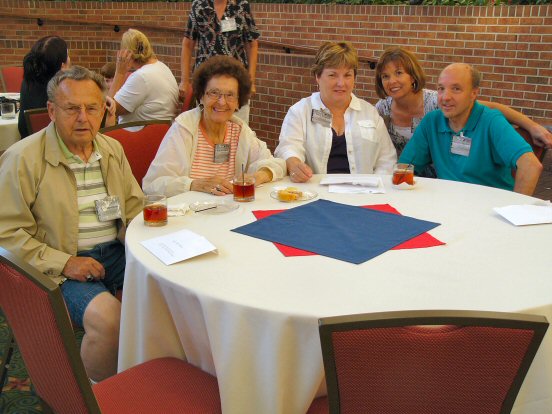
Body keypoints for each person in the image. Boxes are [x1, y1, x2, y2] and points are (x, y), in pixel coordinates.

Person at [0, 66, 144, 381]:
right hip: (56, 266)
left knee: (171, 292)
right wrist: (65, 262)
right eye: (71, 108)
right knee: (110, 320)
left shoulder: (111, 149)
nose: (83, 117)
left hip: (116, 253)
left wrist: (152, 242)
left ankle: (141, 378)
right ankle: (95, 398)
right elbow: (6, 235)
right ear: (51, 111)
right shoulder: (23, 159)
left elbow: (133, 207)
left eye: (92, 108)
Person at [143, 55, 285, 197]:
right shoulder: (183, 129)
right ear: (202, 96)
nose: (222, 102)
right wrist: (193, 184)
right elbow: (153, 184)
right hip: (191, 215)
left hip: (231, 214)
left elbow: (277, 164)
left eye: (230, 95)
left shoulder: (239, 131)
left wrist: (257, 177)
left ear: (237, 102)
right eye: (214, 93)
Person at [375, 46, 552, 159]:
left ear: (413, 75)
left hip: (446, 177)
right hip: (407, 178)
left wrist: (532, 126)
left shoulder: (438, 101)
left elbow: (491, 109)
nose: (392, 81)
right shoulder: (381, 109)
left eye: (399, 73)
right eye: (385, 76)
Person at [399, 63, 542, 196]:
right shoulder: (432, 121)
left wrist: (515, 211)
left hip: (489, 207)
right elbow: (404, 167)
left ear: (473, 93)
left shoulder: (491, 121)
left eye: (456, 89)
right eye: (441, 88)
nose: (445, 97)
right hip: (447, 204)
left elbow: (531, 166)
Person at [274, 41, 396, 183]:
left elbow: (386, 159)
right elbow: (288, 147)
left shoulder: (370, 113)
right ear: (317, 77)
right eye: (333, 75)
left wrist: (374, 187)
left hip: (364, 194)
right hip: (315, 194)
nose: (341, 83)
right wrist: (294, 163)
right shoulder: (300, 111)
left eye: (347, 75)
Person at [180, 0, 259, 123]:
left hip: (236, 83)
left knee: (238, 129)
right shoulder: (199, 6)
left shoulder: (241, 6)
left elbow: (252, 44)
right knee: (206, 128)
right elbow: (187, 44)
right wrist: (184, 81)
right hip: (206, 84)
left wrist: (251, 80)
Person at [109, 28, 179, 125]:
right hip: (160, 131)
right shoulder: (162, 66)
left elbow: (109, 110)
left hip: (137, 135)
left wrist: (119, 73)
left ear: (127, 53)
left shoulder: (142, 77)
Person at [18, 35, 70, 138]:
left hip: (28, 143)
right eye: (68, 55)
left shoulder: (28, 81)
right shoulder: (65, 90)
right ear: (62, 66)